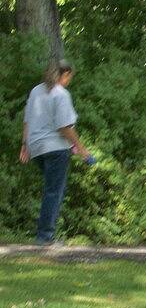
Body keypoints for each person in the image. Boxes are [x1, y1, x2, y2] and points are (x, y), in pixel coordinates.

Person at [19, 59, 91, 245]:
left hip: (36, 147)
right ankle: (45, 237)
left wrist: (25, 145)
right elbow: (64, 127)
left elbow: (27, 119)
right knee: (54, 191)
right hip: (55, 148)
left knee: (52, 189)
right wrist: (82, 149)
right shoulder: (61, 94)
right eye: (69, 77)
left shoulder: (36, 91)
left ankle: (45, 235)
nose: (69, 81)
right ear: (65, 74)